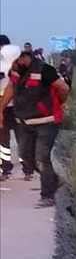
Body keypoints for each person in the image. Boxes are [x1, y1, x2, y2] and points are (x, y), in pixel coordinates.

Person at [0, 44, 70, 207]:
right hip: (25, 121)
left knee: (41, 158)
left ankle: (47, 196)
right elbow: (11, 87)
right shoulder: (15, 70)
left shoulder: (44, 70)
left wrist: (57, 104)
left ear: (21, 59)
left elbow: (63, 88)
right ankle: (53, 180)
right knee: (25, 155)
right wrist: (1, 109)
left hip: (47, 122)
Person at [0, 35, 34, 181]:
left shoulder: (19, 63)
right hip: (2, 107)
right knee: (3, 140)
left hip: (18, 106)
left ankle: (27, 168)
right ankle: (5, 168)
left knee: (22, 138)